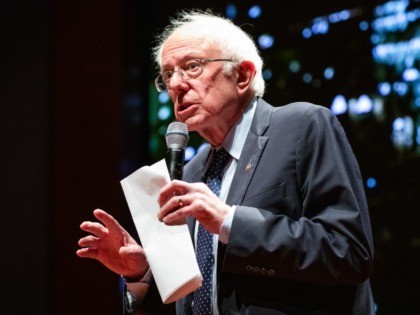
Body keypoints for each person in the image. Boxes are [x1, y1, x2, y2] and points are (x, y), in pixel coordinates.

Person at [77, 10, 375, 314]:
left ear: (242, 76)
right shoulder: (191, 172)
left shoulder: (302, 126)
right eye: (167, 74)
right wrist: (141, 275)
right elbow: (194, 299)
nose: (176, 85)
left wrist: (229, 222)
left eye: (191, 67)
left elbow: (349, 252)